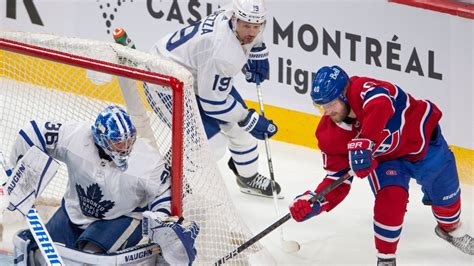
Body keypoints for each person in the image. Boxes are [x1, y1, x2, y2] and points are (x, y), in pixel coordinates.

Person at [289, 65, 473, 265]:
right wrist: (315, 202)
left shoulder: (363, 88)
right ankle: (385, 259)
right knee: (391, 200)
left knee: (447, 202)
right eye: (321, 105)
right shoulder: (328, 135)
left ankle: (451, 229)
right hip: (387, 161)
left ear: (345, 94)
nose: (328, 112)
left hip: (423, 144)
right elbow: (337, 178)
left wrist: (366, 142)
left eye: (332, 103)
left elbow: (382, 103)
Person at [8, 105, 199, 265]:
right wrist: (19, 177)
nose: (125, 148)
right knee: (37, 253)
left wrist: (161, 217)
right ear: (99, 138)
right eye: (117, 143)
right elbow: (32, 133)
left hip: (122, 217)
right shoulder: (75, 137)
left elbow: (164, 192)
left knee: (90, 259)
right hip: (74, 211)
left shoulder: (147, 160)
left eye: (128, 140)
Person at [147, 0, 281, 198]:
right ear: (235, 20)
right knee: (210, 145)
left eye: (256, 27)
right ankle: (164, 181)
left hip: (196, 71)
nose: (252, 32)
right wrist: (248, 117)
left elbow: (253, 31)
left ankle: (247, 177)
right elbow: (213, 104)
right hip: (164, 79)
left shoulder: (236, 13)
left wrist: (258, 49)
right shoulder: (223, 53)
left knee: (241, 130)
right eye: (246, 26)